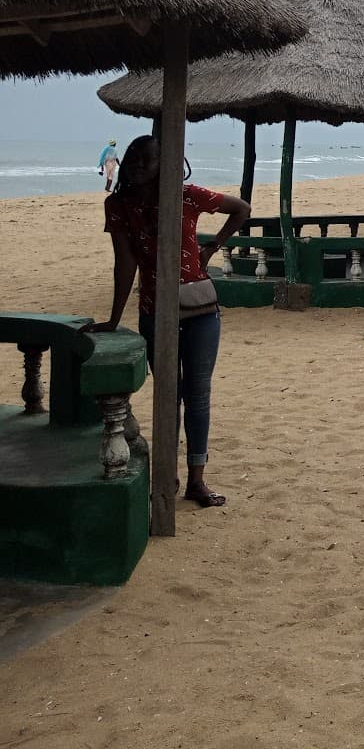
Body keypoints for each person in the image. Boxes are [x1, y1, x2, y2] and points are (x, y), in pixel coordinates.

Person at [91, 135, 251, 508]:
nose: (137, 164)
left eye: (146, 159)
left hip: (201, 311)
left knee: (197, 395)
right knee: (168, 395)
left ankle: (196, 479)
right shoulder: (118, 205)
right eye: (133, 157)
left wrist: (212, 247)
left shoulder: (186, 196)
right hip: (154, 309)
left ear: (165, 163)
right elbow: (125, 263)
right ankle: (168, 475)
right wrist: (114, 318)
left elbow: (241, 209)